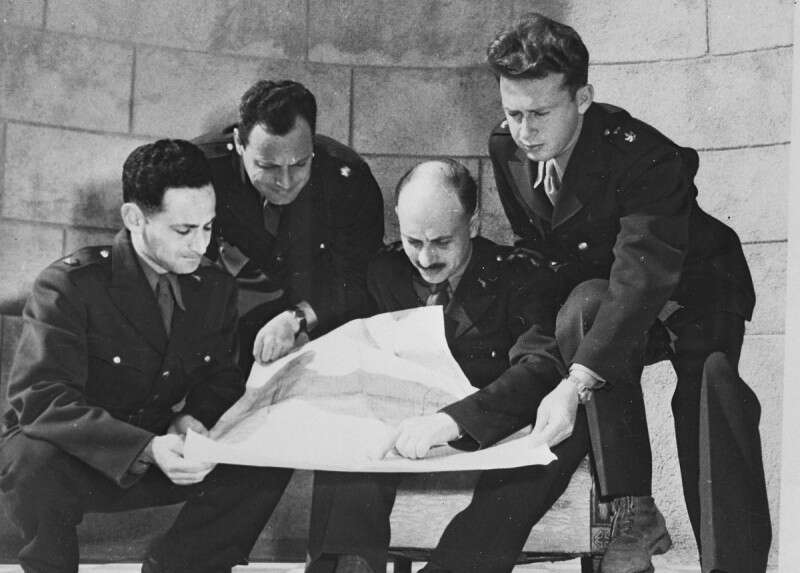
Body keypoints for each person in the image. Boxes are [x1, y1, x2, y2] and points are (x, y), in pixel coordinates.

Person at [485, 13, 771, 573]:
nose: (524, 131)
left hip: (695, 286)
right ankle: (633, 513)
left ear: (583, 98)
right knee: (583, 310)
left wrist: (574, 384)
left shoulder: (644, 154)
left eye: (540, 113)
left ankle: (733, 564)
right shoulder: (507, 148)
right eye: (513, 113)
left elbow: (644, 277)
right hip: (615, 289)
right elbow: (539, 254)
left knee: (711, 390)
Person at [0, 140, 293, 573]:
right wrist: (147, 448)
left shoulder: (214, 288)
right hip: (77, 452)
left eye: (208, 227)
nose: (201, 244)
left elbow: (221, 379)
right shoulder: (71, 285)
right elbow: (40, 398)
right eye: (184, 230)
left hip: (158, 448)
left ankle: (178, 566)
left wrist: (191, 420)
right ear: (135, 218)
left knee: (267, 458)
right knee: (32, 461)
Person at [306, 159, 590, 573]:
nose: (425, 258)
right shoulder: (384, 271)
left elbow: (539, 366)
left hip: (493, 425)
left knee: (557, 437)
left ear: (472, 225)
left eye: (441, 242)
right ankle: (350, 564)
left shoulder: (520, 273)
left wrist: (453, 421)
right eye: (413, 241)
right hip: (408, 424)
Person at [194, 79, 384, 370]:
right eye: (267, 166)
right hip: (224, 329)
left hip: (318, 324)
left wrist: (297, 318)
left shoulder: (348, 180)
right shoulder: (199, 170)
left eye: (299, 164)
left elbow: (359, 277)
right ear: (239, 144)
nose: (284, 182)